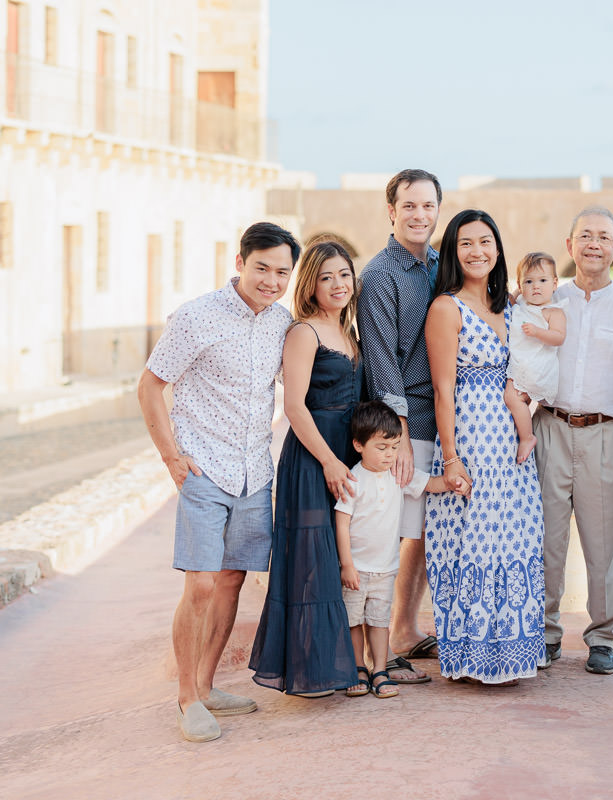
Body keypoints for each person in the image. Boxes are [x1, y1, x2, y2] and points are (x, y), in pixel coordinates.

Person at [137, 222, 299, 743]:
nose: (271, 281)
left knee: (231, 581)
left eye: (282, 272)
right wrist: (171, 458)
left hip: (255, 471)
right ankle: (186, 699)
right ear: (240, 263)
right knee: (202, 583)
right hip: (204, 467)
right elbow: (149, 386)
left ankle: (206, 688)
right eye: (262, 268)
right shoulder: (196, 317)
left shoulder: (281, 323)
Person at [424, 209, 546, 684]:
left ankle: (513, 652)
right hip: (471, 436)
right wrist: (451, 457)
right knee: (471, 539)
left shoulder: (511, 307)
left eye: (486, 242)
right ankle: (475, 657)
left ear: (498, 248)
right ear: (454, 252)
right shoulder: (446, 308)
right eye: (466, 244)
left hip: (511, 442)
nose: (478, 251)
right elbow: (443, 389)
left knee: (513, 535)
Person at [533, 207, 613, 675]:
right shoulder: (544, 299)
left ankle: (602, 637)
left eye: (604, 237)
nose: (593, 243)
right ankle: (543, 632)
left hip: (604, 434)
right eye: (585, 235)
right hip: (549, 429)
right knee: (546, 539)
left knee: (603, 545)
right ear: (569, 245)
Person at [247, 241, 361, 699]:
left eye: (345, 275)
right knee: (312, 560)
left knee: (341, 556)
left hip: (346, 454)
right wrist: (329, 460)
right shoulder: (304, 333)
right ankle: (309, 670)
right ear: (311, 283)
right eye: (327, 276)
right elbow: (294, 406)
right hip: (314, 458)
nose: (338, 285)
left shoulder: (348, 331)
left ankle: (339, 662)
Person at [357, 168, 442, 684]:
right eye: (409, 206)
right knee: (388, 536)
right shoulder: (378, 275)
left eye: (428, 206)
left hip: (442, 416)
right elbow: (382, 359)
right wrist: (403, 437)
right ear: (391, 211)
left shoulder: (441, 264)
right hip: (405, 424)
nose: (419, 215)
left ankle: (406, 628)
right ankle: (378, 652)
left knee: (424, 535)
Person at [335, 401, 467, 699]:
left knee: (380, 621)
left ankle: (379, 669)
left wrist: (450, 481)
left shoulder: (397, 474)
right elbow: (341, 523)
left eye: (394, 447)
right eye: (381, 448)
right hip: (357, 567)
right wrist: (346, 565)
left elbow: (429, 484)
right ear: (358, 444)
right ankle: (357, 668)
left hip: (386, 569)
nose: (389, 455)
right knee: (354, 620)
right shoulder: (353, 480)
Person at [504, 252, 567, 463]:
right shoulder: (522, 302)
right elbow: (510, 300)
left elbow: (558, 337)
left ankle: (527, 436)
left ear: (555, 283)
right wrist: (516, 290)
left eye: (542, 280)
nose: (536, 287)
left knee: (511, 398)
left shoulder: (553, 311)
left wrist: (538, 332)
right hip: (521, 362)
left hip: (536, 366)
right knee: (513, 399)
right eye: (529, 282)